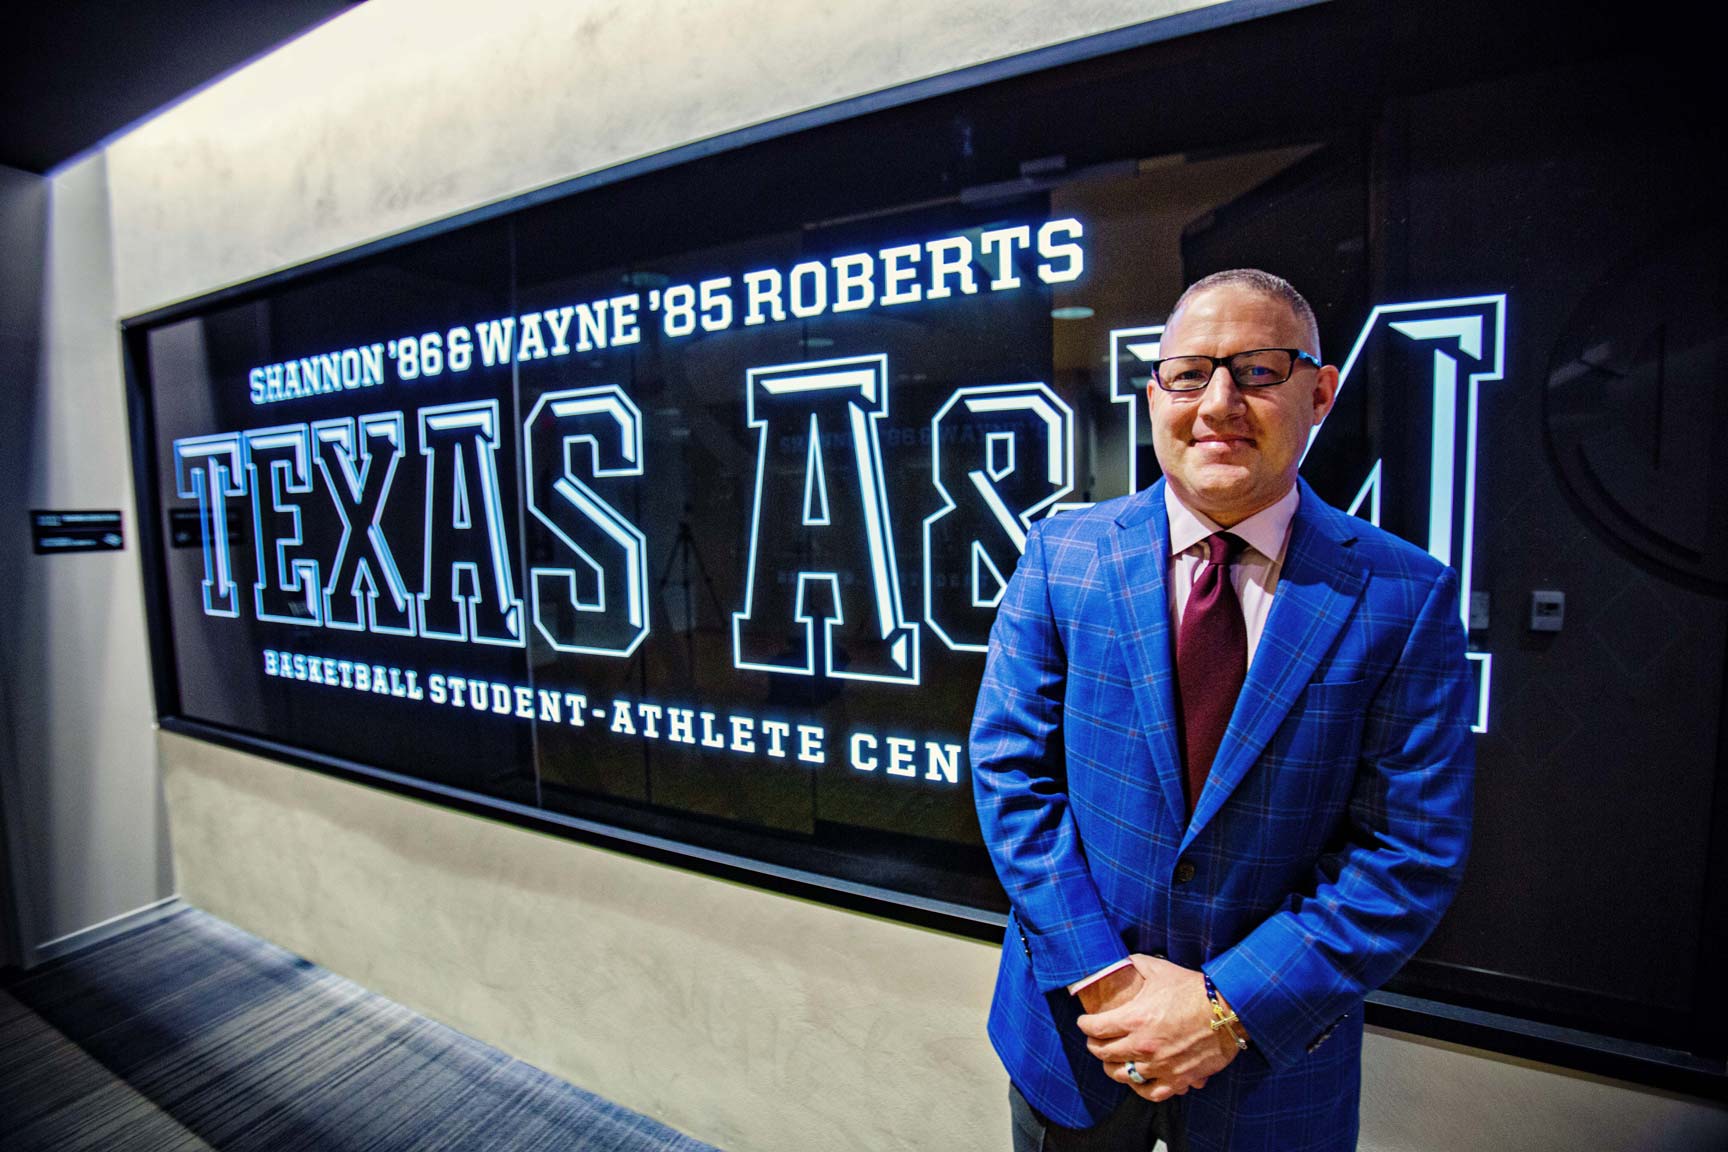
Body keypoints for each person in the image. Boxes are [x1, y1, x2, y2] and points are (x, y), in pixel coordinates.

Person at [970, 269, 1474, 1151]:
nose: (1220, 402)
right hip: (1078, 1037)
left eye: (1259, 369)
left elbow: (1407, 853)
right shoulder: (1063, 554)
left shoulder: (1404, 595)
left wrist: (1225, 1009)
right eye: (1190, 372)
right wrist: (1106, 978)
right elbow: (1011, 775)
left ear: (1320, 393)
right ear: (1154, 391)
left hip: (1272, 1071)